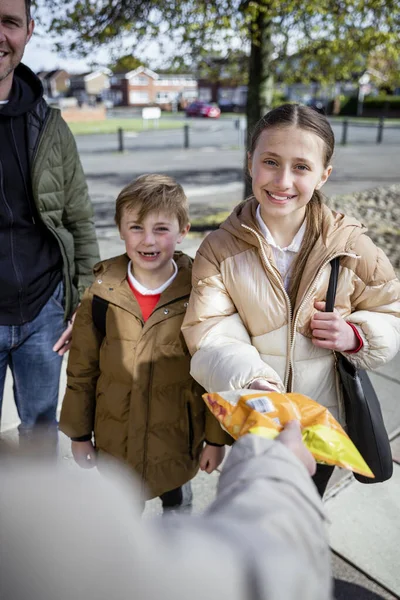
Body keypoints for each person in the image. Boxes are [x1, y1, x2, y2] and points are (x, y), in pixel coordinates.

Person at [182, 103, 400, 497]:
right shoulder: (218, 248)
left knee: (304, 506)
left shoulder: (351, 246)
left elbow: (390, 310)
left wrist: (356, 335)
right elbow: (209, 330)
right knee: (257, 509)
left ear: (323, 175)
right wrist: (253, 380)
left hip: (322, 423)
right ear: (250, 163)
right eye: (270, 161)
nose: (282, 180)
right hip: (259, 418)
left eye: (301, 167)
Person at [0, 421, 333, 600]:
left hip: (175, 451)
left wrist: (214, 440)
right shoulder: (34, 532)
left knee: (178, 494)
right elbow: (264, 573)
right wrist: (279, 468)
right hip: (125, 447)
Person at [59, 174, 232, 512]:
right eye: (136, 227)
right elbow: (81, 372)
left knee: (177, 510)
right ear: (121, 230)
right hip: (115, 440)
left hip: (178, 441)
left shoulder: (201, 293)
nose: (148, 240)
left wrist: (215, 438)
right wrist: (78, 435)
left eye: (161, 229)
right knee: (120, 522)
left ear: (183, 231)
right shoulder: (100, 294)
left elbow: (214, 375)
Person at [0, 0, 99, 440]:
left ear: (28, 31)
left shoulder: (51, 126)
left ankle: (32, 512)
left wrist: (84, 301)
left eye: (9, 23)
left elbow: (79, 219)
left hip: (45, 312)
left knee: (41, 431)